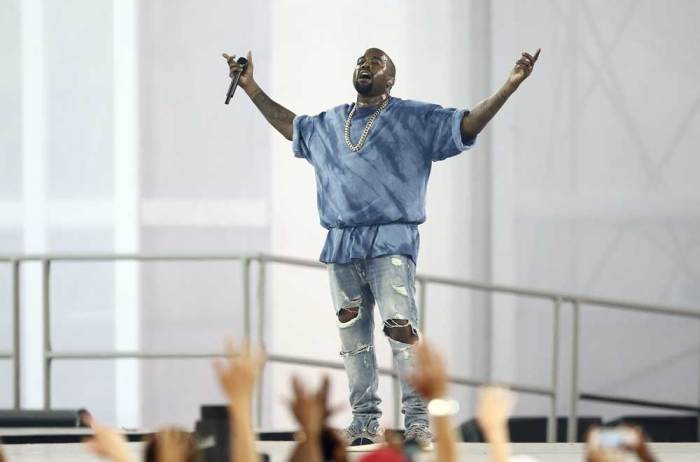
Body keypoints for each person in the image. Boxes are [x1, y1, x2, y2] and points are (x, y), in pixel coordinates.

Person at [223, 46, 540, 449]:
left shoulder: (413, 118)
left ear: (391, 78)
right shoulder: (332, 122)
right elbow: (292, 125)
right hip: (341, 245)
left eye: (376, 62)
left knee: (401, 332)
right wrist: (251, 88)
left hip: (390, 241)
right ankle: (364, 421)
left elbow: (466, 124)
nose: (365, 65)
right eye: (360, 61)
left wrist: (508, 88)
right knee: (353, 339)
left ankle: (419, 421)